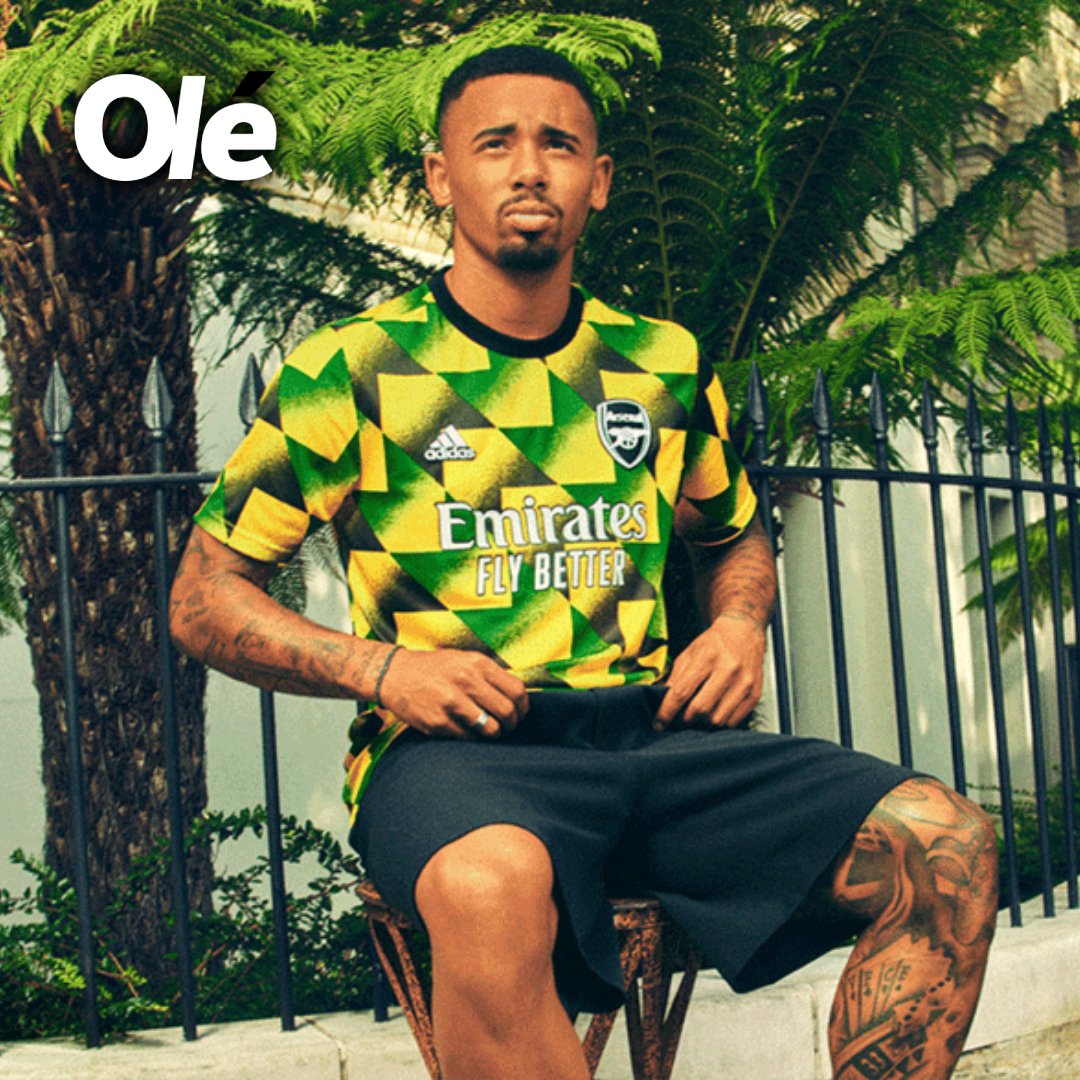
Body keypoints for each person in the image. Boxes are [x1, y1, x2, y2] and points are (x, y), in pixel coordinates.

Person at [169, 45, 999, 1080]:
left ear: (597, 180)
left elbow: (732, 531)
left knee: (944, 843)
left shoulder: (662, 363)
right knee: (486, 886)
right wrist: (383, 670)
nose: (529, 169)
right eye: (495, 144)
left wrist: (738, 623)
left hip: (656, 739)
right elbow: (203, 598)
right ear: (440, 177)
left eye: (558, 145)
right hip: (462, 758)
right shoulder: (351, 366)